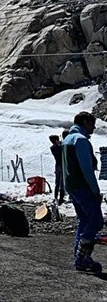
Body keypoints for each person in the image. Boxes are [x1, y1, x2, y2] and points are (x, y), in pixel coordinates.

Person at [63, 111, 103, 273]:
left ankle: (78, 256)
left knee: (84, 220)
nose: (93, 127)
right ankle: (83, 256)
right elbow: (87, 169)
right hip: (83, 186)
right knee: (96, 220)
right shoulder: (81, 140)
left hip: (72, 186)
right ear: (85, 123)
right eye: (92, 124)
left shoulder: (67, 140)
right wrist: (95, 190)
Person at [50, 134, 65, 204]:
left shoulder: (53, 147)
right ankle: (61, 198)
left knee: (57, 182)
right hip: (61, 165)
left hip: (57, 166)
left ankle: (56, 197)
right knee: (61, 183)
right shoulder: (57, 147)